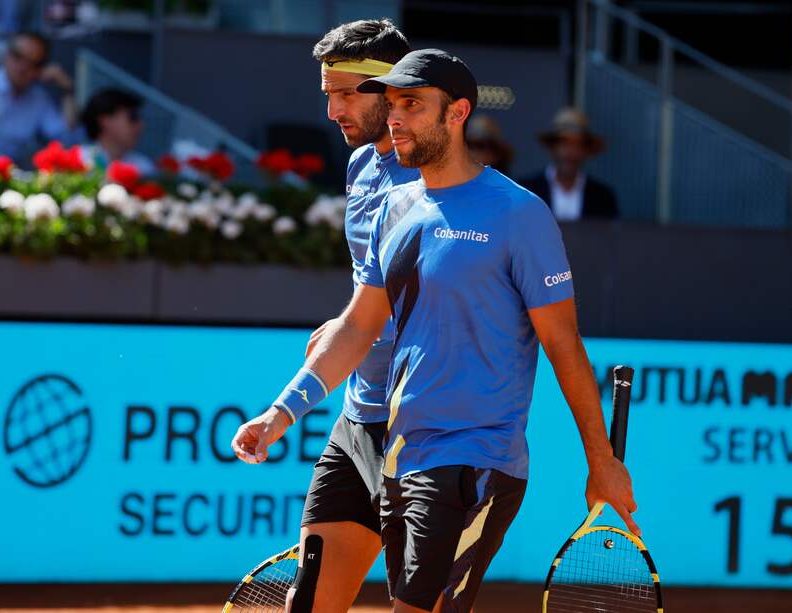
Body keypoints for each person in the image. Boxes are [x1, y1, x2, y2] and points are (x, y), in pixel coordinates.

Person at [232, 49, 639, 613]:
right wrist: (280, 412)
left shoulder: (520, 214)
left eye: (413, 105)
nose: (395, 117)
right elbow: (356, 327)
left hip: (474, 461)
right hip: (400, 453)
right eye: (392, 103)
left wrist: (601, 461)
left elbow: (563, 344)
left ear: (457, 113)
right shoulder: (395, 207)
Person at [231, 19, 415, 613]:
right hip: (359, 419)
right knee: (308, 605)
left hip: (430, 435)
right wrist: (347, 328)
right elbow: (372, 294)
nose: (332, 109)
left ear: (389, 89)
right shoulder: (363, 166)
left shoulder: (440, 180)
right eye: (327, 93)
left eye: (344, 92)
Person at [0, 31, 77, 167]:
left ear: (41, 68)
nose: (23, 67)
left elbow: (66, 139)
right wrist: (10, 171)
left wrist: (68, 91)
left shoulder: (38, 98)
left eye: (34, 63)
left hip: (8, 176)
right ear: (5, 54)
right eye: (18, 56)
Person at [518, 107, 618, 221]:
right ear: (553, 148)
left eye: (577, 145)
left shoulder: (602, 197)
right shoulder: (527, 192)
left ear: (586, 151)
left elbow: (610, 236)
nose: (571, 152)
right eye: (564, 144)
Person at [79, 88, 154, 176]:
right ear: (105, 121)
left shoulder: (144, 168)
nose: (140, 125)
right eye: (133, 117)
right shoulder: (81, 161)